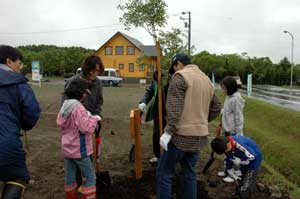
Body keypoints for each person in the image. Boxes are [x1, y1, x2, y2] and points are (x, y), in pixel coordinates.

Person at [156, 53, 222, 199]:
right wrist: (202, 120)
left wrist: (168, 132)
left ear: (178, 63)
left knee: (164, 174)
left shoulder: (180, 77)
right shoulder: (206, 80)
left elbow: (175, 108)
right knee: (189, 173)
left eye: (174, 67)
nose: (174, 71)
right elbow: (217, 106)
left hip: (179, 136)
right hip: (199, 137)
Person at [0, 45, 41, 198]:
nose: (20, 67)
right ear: (9, 61)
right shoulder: (18, 84)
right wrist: (25, 124)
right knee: (16, 176)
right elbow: (31, 114)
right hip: (6, 142)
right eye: (19, 62)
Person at [62, 55, 104, 191]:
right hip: (75, 127)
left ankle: (84, 182)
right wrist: (80, 119)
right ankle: (82, 182)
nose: (94, 74)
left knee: (88, 153)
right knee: (78, 156)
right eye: (92, 70)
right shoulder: (73, 82)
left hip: (90, 122)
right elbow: (64, 106)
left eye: (97, 71)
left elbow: (98, 102)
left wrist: (96, 117)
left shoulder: (98, 83)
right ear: (87, 69)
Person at [57, 78, 101, 199]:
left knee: (70, 177)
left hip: (67, 149)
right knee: (90, 177)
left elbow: (60, 122)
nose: (86, 95)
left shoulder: (65, 106)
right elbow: (85, 128)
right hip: (80, 150)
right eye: (85, 92)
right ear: (80, 93)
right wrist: (95, 119)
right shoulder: (78, 108)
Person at [217, 76, 245, 183]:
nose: (223, 90)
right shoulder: (229, 97)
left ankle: (235, 175)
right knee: (227, 152)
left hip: (234, 132)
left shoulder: (236, 99)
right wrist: (221, 117)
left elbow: (238, 117)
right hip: (227, 130)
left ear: (230, 87)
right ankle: (227, 170)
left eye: (224, 88)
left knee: (235, 154)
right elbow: (227, 110)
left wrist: (238, 134)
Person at [138, 70, 170, 163]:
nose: (156, 82)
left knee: (168, 134)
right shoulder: (155, 81)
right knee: (156, 134)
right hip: (158, 112)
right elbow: (149, 92)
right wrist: (143, 102)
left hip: (169, 113)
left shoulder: (170, 81)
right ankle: (158, 155)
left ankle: (168, 157)